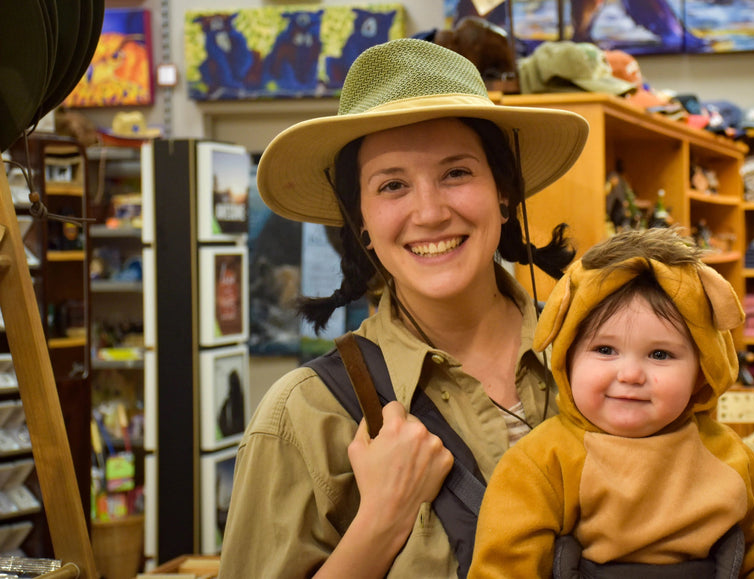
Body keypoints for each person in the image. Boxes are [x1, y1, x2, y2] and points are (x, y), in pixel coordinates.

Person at [218, 38, 589, 578]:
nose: (430, 212)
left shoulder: (596, 357)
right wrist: (384, 518)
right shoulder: (307, 416)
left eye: (456, 173)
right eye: (392, 185)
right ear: (361, 220)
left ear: (503, 192)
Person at [469, 228, 754, 578]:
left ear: (701, 371)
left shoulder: (727, 455)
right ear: (568, 356)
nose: (630, 375)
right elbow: (504, 565)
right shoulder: (542, 462)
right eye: (605, 350)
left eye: (659, 354)